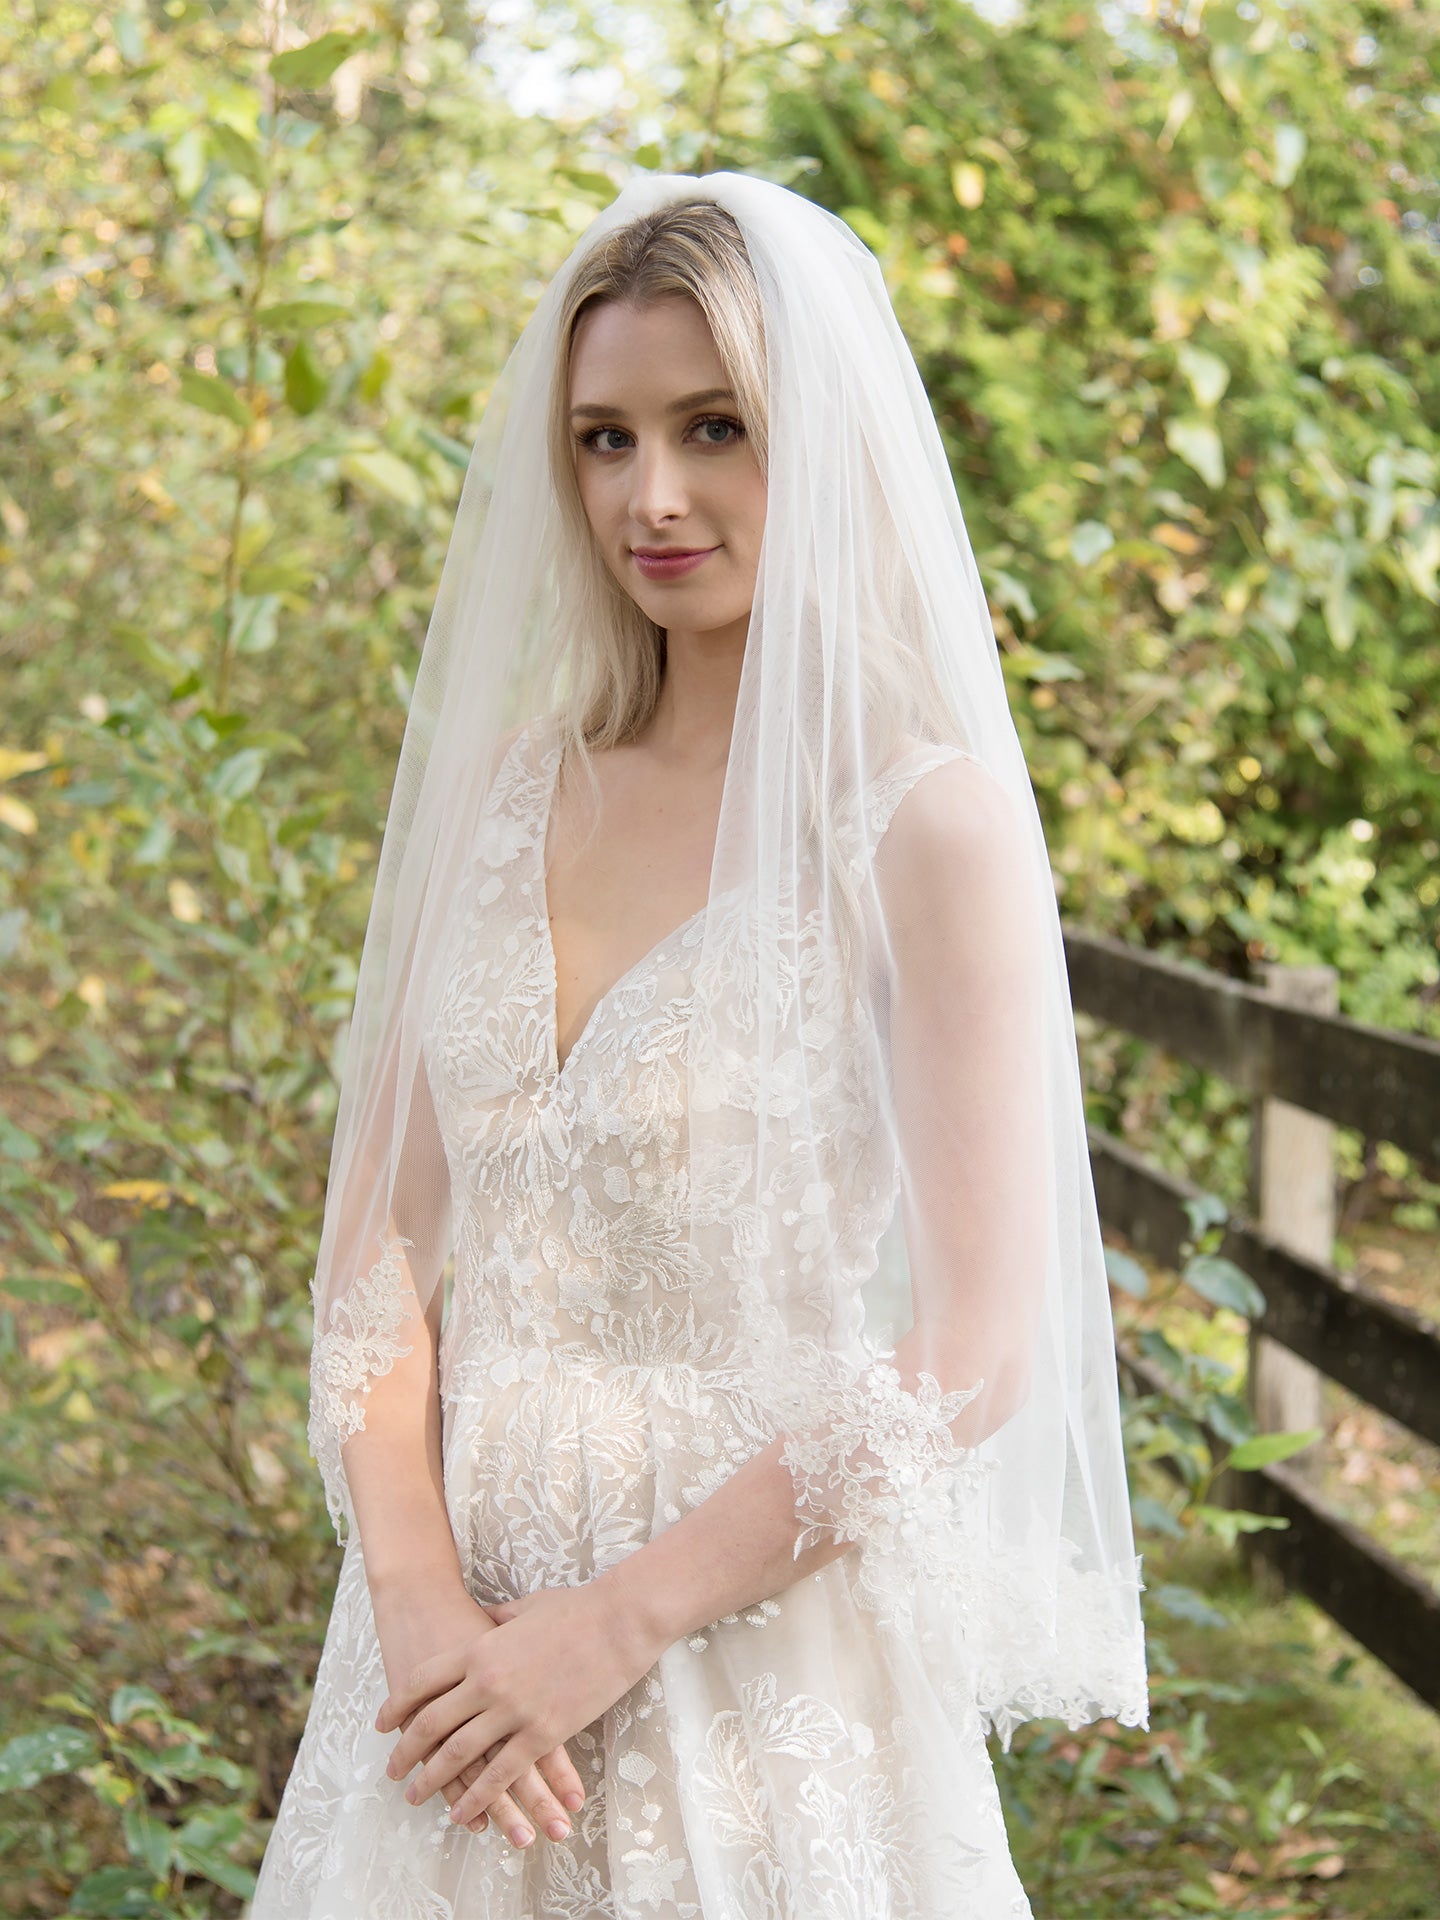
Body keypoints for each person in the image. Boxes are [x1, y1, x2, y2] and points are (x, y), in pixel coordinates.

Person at [249, 171, 1148, 1920]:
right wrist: (428, 1611)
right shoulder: (509, 795)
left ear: (820, 439)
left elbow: (972, 1350)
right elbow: (374, 1260)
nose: (651, 497)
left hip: (752, 1656)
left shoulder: (922, 827)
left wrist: (612, 1625)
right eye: (603, 440)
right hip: (448, 1686)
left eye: (714, 427)